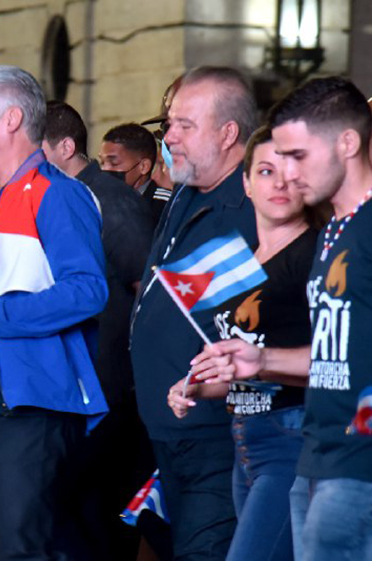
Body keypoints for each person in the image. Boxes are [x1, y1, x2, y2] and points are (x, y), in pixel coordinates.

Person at [0, 65, 109, 560]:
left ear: (11, 119)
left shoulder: (58, 193)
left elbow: (89, 291)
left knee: (17, 550)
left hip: (26, 410)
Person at [191, 77, 372, 561]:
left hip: (343, 457)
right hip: (314, 452)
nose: (288, 176)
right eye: (275, 163)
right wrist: (257, 360)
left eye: (297, 157)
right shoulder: (337, 231)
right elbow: (337, 351)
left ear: (348, 144)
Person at [167, 126, 318, 561]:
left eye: (293, 170)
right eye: (266, 171)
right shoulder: (243, 263)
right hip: (244, 442)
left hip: (294, 436)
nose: (281, 183)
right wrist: (197, 384)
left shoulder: (314, 256)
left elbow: (345, 355)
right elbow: (243, 369)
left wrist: (262, 361)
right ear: (247, 183)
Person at [130, 65, 259, 559]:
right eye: (170, 124)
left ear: (228, 133)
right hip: (167, 431)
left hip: (219, 433)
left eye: (185, 125)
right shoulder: (185, 190)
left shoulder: (254, 202)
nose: (170, 137)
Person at [43, 100, 162, 560]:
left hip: (108, 385)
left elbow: (147, 288)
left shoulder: (109, 200)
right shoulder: (52, 195)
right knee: (78, 509)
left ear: (65, 147)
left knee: (89, 511)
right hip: (68, 384)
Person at [98, 123, 171, 224]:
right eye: (102, 162)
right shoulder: (98, 203)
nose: (105, 169)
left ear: (144, 166)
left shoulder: (166, 206)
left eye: (114, 163)